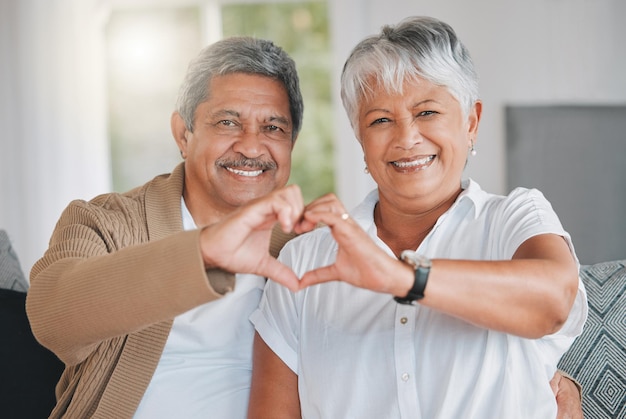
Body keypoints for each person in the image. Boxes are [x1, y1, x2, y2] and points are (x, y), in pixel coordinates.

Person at [248, 16, 588, 419]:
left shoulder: (513, 218)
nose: (406, 137)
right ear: (361, 139)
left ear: (470, 123)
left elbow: (553, 301)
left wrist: (404, 278)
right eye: (380, 120)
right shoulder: (303, 261)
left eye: (427, 112)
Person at [25, 36, 307, 418]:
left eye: (273, 128)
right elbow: (52, 319)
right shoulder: (105, 221)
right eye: (228, 122)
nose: (252, 148)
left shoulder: (305, 244)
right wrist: (203, 252)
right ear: (183, 134)